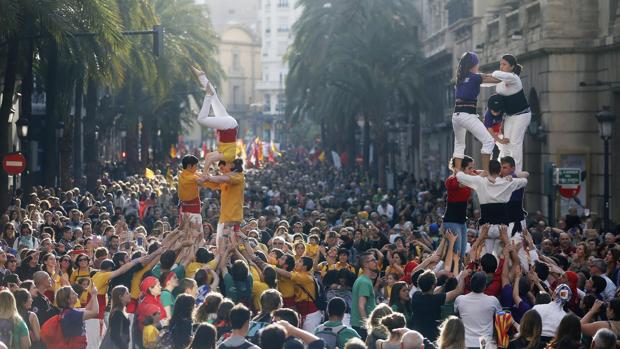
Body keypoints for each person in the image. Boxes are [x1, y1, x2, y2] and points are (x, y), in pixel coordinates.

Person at [451, 51, 499, 173]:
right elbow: (495, 80)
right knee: (488, 141)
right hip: (467, 115)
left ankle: (456, 173)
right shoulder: (475, 77)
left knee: (459, 144)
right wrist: (509, 77)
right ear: (474, 64)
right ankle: (486, 172)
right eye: (477, 63)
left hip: (456, 116)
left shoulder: (460, 78)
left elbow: (482, 81)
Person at [191, 65, 239, 169]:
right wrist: (205, 173)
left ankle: (202, 77)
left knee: (214, 98)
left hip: (230, 123)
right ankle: (207, 94)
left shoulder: (225, 154)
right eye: (222, 168)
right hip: (228, 125)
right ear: (230, 165)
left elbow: (209, 156)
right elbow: (211, 158)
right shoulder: (230, 157)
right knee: (201, 119)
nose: (222, 169)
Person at [489, 54, 531, 172]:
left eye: (504, 64)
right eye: (500, 64)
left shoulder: (514, 78)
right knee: (506, 143)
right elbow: (487, 80)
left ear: (512, 67)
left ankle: (517, 172)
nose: (501, 67)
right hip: (510, 116)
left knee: (515, 142)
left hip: (522, 115)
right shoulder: (501, 80)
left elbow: (495, 74)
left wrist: (494, 74)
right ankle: (503, 170)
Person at [202, 158, 246, 256]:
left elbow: (221, 178)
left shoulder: (239, 176)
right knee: (225, 248)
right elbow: (210, 182)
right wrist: (199, 177)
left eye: (223, 167)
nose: (221, 171)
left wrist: (209, 177)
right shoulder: (223, 179)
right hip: (224, 218)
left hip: (232, 217)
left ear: (230, 165)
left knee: (224, 249)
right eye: (220, 168)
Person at [411, 268, 467, 342]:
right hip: (431, 338)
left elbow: (431, 294)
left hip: (417, 337)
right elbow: (458, 291)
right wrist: (462, 276)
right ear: (433, 286)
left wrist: (443, 285)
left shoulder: (415, 296)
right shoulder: (436, 299)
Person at [454, 271, 502, 349]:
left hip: (465, 344)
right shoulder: (493, 301)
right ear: (484, 286)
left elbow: (456, 312)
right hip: (485, 344)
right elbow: (502, 317)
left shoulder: (460, 300)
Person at [443, 156, 475, 260]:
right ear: (462, 169)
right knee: (456, 254)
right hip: (452, 221)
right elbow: (461, 184)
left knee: (461, 255)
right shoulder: (451, 180)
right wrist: (460, 173)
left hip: (462, 222)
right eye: (469, 168)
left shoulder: (468, 177)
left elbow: (484, 173)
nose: (472, 171)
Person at [351, 252, 379, 339]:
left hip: (358, 325)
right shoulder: (364, 282)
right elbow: (361, 306)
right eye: (373, 260)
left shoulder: (363, 279)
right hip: (362, 327)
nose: (376, 262)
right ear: (365, 265)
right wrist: (367, 325)